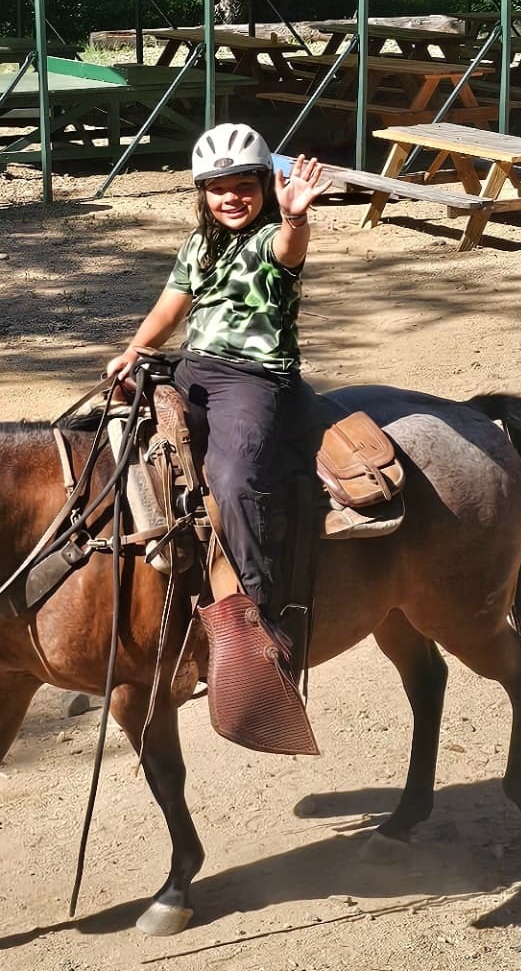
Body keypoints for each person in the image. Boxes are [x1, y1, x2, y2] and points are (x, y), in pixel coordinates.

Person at [106, 123, 326, 651]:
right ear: (203, 194)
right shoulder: (199, 244)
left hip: (253, 379)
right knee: (111, 428)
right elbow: (169, 310)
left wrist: (295, 216)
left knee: (233, 477)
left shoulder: (272, 240)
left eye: (244, 186)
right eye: (218, 188)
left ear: (265, 185)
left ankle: (258, 609)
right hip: (193, 367)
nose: (231, 198)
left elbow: (291, 247)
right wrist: (134, 351)